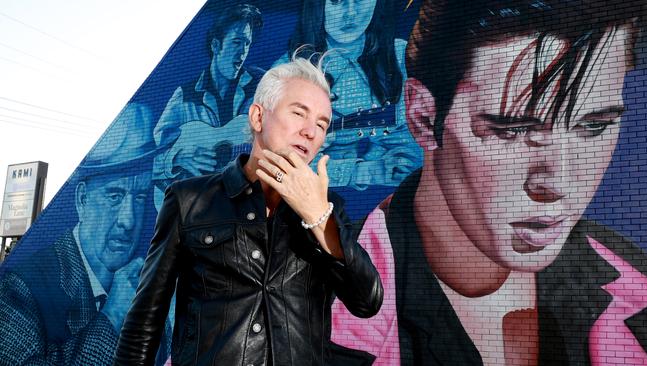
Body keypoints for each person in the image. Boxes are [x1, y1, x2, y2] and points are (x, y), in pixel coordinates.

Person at [330, 0, 647, 365]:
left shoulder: (640, 284)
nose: (557, 183)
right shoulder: (316, 294)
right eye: (512, 129)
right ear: (422, 117)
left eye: (594, 126)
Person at [114, 55, 383, 366]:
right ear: (258, 117)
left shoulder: (328, 210)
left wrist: (317, 216)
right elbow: (144, 321)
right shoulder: (189, 200)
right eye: (299, 113)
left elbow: (368, 301)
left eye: (322, 124)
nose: (311, 132)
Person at [0, 104, 170, 365]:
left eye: (140, 197)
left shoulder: (142, 284)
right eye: (114, 196)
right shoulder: (22, 287)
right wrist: (112, 316)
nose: (129, 220)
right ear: (82, 199)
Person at [276, 0, 422, 190]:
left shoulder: (401, 56)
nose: (350, 13)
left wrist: (387, 157)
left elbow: (420, 144)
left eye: (360, 1)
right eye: (336, 2)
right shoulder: (288, 74)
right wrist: (364, 171)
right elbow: (282, 159)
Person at [152, 3, 264, 209]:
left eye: (247, 44)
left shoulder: (261, 86)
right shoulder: (185, 96)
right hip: (197, 203)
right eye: (236, 42)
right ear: (215, 45)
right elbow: (155, 153)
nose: (242, 53)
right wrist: (177, 159)